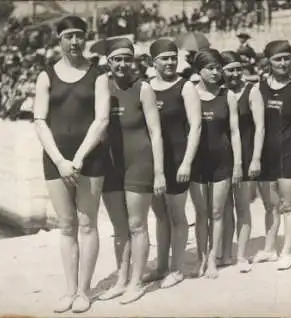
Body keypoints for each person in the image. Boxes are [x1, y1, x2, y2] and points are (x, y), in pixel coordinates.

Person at [33, 16, 110, 314]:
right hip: (56, 159)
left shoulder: (98, 75)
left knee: (88, 224)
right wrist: (60, 161)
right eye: (68, 36)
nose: (75, 42)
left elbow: (101, 119)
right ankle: (68, 289)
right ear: (60, 40)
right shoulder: (46, 75)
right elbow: (39, 120)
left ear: (86, 38)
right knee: (67, 226)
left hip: (88, 157)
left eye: (79, 36)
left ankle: (84, 291)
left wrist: (77, 159)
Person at [98, 37, 166, 304]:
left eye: (127, 58)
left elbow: (156, 132)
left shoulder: (143, 89)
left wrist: (159, 171)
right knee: (119, 227)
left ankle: (136, 283)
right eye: (117, 59)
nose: (122, 64)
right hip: (112, 164)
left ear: (134, 61)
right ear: (109, 62)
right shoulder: (102, 86)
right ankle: (121, 280)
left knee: (137, 225)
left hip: (140, 162)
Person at [141, 39, 202, 288]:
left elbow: (196, 126)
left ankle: (177, 269)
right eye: (164, 58)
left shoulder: (185, 87)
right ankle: (161, 266)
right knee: (160, 215)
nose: (169, 62)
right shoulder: (146, 87)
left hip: (178, 159)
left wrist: (187, 162)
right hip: (153, 161)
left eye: (172, 58)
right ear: (153, 62)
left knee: (177, 215)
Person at [252, 40, 291, 271]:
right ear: (268, 61)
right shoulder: (259, 87)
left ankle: (287, 251)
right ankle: (269, 249)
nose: (283, 63)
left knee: (289, 204)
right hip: (266, 152)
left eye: (287, 58)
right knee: (270, 206)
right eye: (278, 59)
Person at [189, 49, 242, 279]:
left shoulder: (227, 95)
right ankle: (200, 258)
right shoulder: (190, 94)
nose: (215, 72)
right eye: (210, 68)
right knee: (201, 213)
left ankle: (213, 259)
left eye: (218, 68)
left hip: (222, 160)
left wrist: (238, 164)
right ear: (198, 70)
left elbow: (235, 132)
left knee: (217, 211)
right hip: (197, 161)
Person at [218, 51, 265, 272]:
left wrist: (255, 158)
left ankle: (241, 255)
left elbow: (260, 128)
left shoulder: (252, 91)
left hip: (245, 156)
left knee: (242, 207)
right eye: (230, 70)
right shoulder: (217, 92)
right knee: (224, 208)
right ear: (221, 71)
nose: (235, 74)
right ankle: (226, 253)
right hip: (221, 158)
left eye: (238, 69)